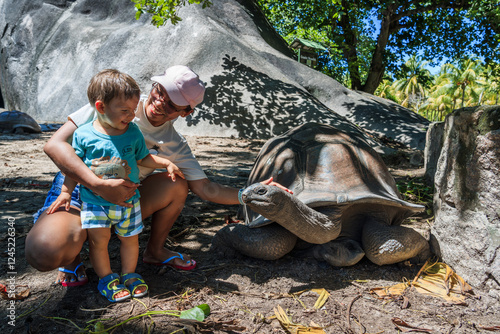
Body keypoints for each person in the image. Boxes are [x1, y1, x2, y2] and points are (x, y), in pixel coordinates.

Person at [26, 65, 290, 286]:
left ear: (186, 112)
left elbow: (207, 188)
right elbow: (54, 145)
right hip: (79, 189)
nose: (160, 102)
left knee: (177, 184)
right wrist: (96, 184)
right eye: (159, 91)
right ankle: (72, 253)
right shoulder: (118, 101)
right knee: (44, 253)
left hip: (122, 199)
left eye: (173, 102)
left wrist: (250, 195)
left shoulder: (174, 143)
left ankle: (154, 250)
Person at [44, 69, 186, 301]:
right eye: (124, 111)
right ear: (100, 107)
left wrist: (165, 163)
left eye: (132, 110)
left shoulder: (133, 132)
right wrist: (65, 192)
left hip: (129, 201)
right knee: (99, 242)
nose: (131, 116)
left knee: (130, 239)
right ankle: (107, 278)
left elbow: (143, 158)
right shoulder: (84, 135)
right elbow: (73, 167)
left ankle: (130, 275)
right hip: (94, 202)